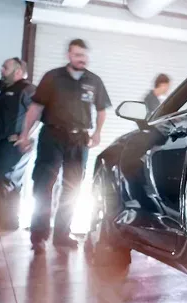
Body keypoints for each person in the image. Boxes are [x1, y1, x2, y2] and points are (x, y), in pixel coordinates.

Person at [16, 39, 111, 253]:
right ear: (69, 55)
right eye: (77, 55)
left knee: (72, 189)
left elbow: (102, 110)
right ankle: (38, 236)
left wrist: (97, 132)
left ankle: (62, 235)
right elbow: (35, 108)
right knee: (43, 185)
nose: (82, 59)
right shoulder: (52, 77)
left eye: (84, 55)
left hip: (79, 140)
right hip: (52, 135)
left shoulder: (94, 81)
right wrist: (24, 135)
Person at [0, 58, 36, 231]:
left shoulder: (27, 89)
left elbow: (37, 113)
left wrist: (25, 136)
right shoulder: (1, 89)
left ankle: (8, 222)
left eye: (6, 67)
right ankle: (3, 219)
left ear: (18, 72)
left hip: (13, 142)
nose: (2, 70)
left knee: (6, 179)